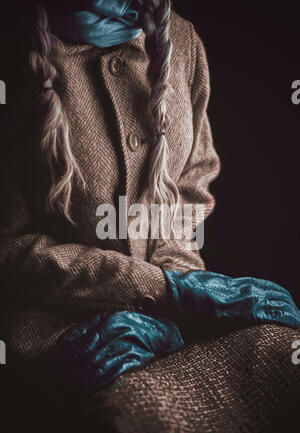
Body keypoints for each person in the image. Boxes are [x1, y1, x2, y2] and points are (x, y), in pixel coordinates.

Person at [0, 0, 299, 392]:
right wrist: (160, 289)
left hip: (175, 318)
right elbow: (8, 244)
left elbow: (193, 183)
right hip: (52, 342)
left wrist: (186, 291)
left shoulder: (182, 39)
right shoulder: (11, 54)